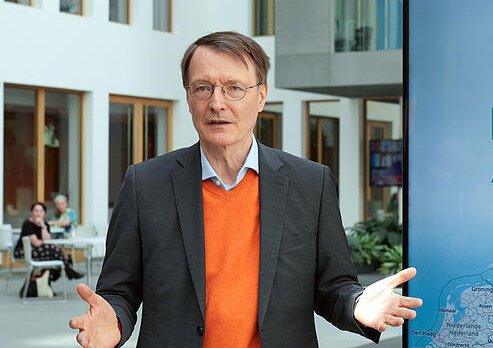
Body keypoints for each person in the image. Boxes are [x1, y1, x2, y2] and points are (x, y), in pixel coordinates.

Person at [69, 31, 421, 348]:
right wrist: (113, 320)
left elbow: (332, 289)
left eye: (234, 88)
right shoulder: (145, 184)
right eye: (203, 88)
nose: (217, 103)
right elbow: (120, 290)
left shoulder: (309, 182)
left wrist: (358, 305)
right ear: (189, 98)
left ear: (261, 96)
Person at [14, 202, 84, 281]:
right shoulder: (27, 224)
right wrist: (46, 243)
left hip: (42, 251)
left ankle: (50, 279)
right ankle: (66, 267)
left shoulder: (45, 224)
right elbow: (36, 243)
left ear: (44, 213)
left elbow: (47, 240)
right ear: (32, 212)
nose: (38, 213)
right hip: (24, 251)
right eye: (36, 211)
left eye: (41, 211)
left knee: (52, 252)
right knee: (52, 250)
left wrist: (43, 226)